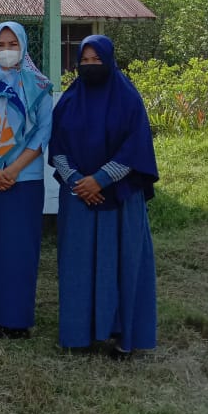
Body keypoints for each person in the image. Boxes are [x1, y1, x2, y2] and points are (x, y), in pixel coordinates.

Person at [49, 34, 158, 358]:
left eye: (97, 61)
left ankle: (124, 338)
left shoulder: (128, 99)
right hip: (78, 196)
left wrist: (99, 180)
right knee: (78, 267)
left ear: (109, 61)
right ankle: (78, 336)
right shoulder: (70, 100)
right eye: (85, 61)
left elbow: (135, 147)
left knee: (123, 265)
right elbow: (57, 147)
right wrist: (78, 181)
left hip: (120, 198)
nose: (90, 66)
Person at [0, 21, 53, 339]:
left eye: (12, 44)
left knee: (20, 249)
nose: (6, 51)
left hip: (25, 180)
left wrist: (14, 169)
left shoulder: (39, 85)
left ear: (24, 46)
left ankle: (18, 318)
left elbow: (43, 131)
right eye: (0, 45)